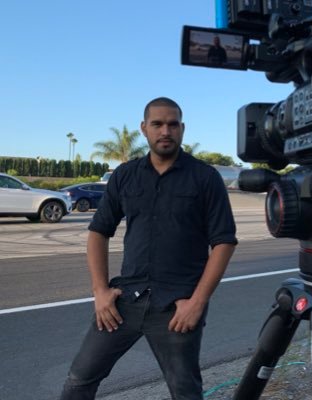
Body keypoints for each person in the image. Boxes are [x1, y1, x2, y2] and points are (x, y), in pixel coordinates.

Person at [60, 97, 238, 400]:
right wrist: (100, 291)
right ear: (144, 128)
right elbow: (98, 232)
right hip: (123, 302)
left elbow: (224, 242)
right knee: (79, 380)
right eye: (157, 124)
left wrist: (197, 303)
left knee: (185, 391)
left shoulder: (205, 178)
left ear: (182, 128)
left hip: (177, 308)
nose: (165, 131)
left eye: (172, 124)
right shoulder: (125, 175)